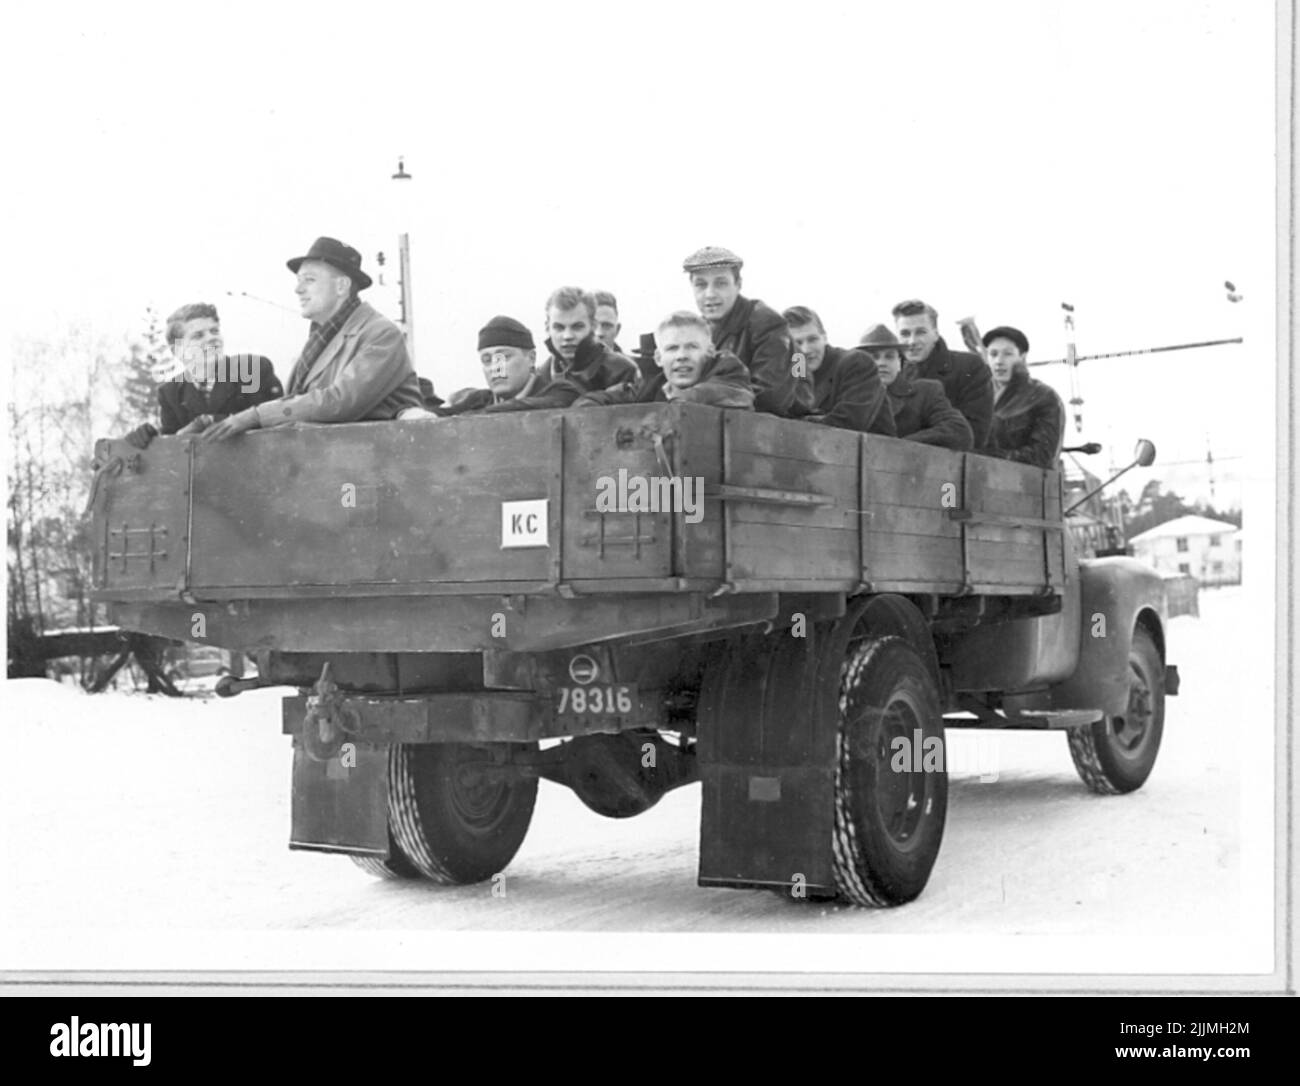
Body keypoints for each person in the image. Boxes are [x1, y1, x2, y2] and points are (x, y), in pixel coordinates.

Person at [203, 237, 422, 441]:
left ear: (342, 286)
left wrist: (256, 415)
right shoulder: (321, 339)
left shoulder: (380, 333)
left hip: (380, 459)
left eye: (309, 280)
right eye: (299, 281)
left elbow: (341, 402)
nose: (298, 289)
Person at [125, 303, 281, 447]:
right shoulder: (170, 393)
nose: (212, 338)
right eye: (198, 335)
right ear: (177, 350)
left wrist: (211, 421)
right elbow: (174, 449)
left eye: (214, 331)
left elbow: (278, 423)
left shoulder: (251, 369)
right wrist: (151, 439)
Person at [683, 246, 810, 417]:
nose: (710, 294)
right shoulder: (698, 331)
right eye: (701, 285)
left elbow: (770, 396)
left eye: (721, 283)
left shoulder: (766, 322)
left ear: (738, 285)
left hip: (782, 425)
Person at [482, 286, 638, 412]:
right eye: (559, 328)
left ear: (593, 326)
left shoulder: (620, 370)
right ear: (547, 328)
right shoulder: (543, 372)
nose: (567, 336)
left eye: (577, 327)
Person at [575, 311, 753, 409]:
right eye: (672, 348)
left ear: (710, 352)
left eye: (692, 347)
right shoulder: (649, 386)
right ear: (658, 358)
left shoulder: (729, 371)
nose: (682, 356)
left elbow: (734, 393)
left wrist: (681, 399)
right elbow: (602, 399)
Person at [891, 298, 992, 446]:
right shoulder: (892, 373)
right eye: (905, 334)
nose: (912, 341)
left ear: (935, 334)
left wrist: (903, 444)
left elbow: (975, 434)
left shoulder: (969, 367)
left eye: (921, 332)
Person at [782, 305, 894, 435]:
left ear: (824, 337)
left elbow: (848, 423)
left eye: (812, 339)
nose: (806, 350)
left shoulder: (856, 362)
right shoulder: (798, 366)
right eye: (797, 344)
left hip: (874, 452)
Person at [860, 324, 972, 450]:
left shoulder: (925, 393)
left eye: (889, 357)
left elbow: (958, 431)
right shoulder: (848, 399)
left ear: (899, 364)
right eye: (874, 357)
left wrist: (898, 446)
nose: (881, 363)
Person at [433, 316, 557, 416]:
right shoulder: (479, 400)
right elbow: (445, 413)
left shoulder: (557, 390)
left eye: (504, 357)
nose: (495, 368)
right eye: (487, 360)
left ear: (531, 358)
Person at [981, 325, 1065, 469]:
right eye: (993, 354)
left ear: (1022, 357)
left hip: (1024, 486)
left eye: (1008, 354)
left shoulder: (1043, 397)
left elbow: (1042, 456)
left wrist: (994, 456)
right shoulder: (978, 396)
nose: (999, 361)